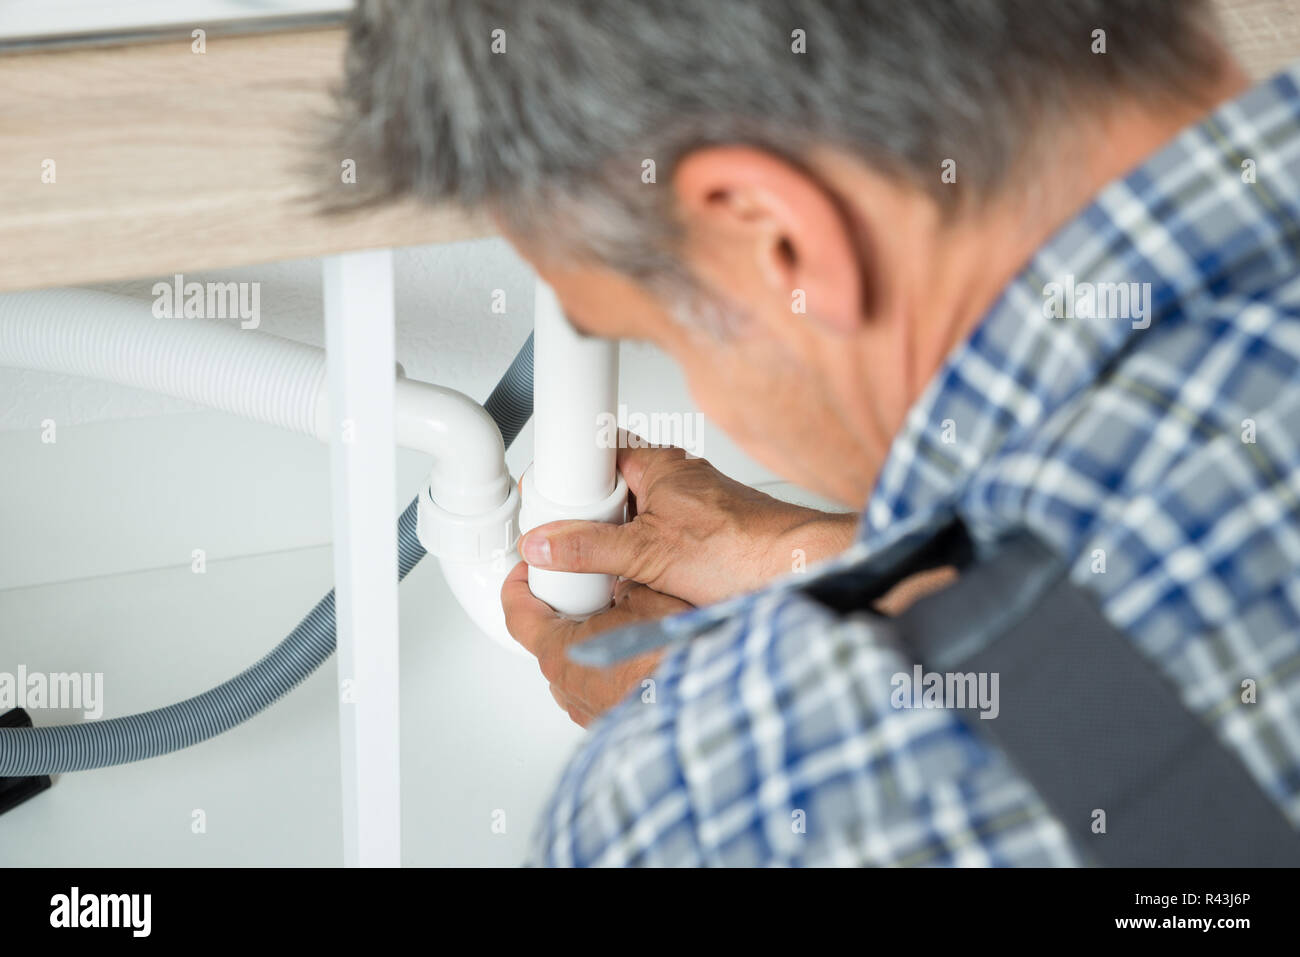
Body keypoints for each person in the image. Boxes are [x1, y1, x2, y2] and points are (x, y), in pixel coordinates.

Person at [333, 0, 1300, 865]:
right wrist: (805, 559)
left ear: (776, 236)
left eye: (651, 332)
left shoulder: (714, 813)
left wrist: (725, 735)